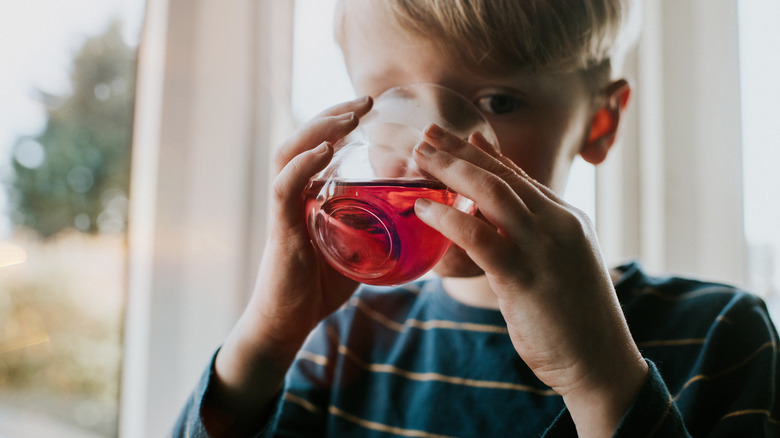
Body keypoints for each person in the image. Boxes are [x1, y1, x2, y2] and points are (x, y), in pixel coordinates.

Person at [173, 0, 780, 436]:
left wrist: (600, 384)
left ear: (599, 123)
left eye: (497, 102)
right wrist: (267, 335)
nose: (426, 148)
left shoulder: (719, 336)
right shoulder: (338, 346)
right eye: (394, 100)